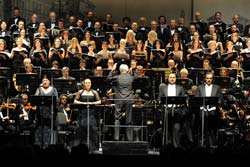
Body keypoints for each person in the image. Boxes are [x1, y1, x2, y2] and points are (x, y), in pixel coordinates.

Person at [108, 63, 135, 141]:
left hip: (119, 99)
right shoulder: (131, 77)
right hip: (129, 99)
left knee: (117, 118)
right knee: (129, 119)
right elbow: (137, 78)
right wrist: (132, 71)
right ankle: (129, 138)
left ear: (119, 70)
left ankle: (116, 138)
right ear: (127, 70)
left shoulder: (117, 77)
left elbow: (108, 78)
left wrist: (112, 70)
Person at [158, 73, 186, 148]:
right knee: (167, 130)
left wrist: (181, 106)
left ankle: (176, 147)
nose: (172, 78)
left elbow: (184, 99)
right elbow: (159, 99)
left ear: (176, 79)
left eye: (174, 77)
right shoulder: (163, 88)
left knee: (176, 128)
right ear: (168, 79)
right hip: (167, 111)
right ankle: (167, 147)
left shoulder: (180, 88)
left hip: (177, 111)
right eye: (170, 77)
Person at [195, 72, 222, 148]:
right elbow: (197, 99)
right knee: (203, 129)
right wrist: (202, 107)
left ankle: (212, 144)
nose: (209, 80)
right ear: (205, 79)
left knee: (212, 129)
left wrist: (217, 103)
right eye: (207, 78)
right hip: (203, 110)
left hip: (213, 111)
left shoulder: (217, 87)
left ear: (212, 79)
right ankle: (203, 144)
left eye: (210, 78)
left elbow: (220, 99)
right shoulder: (200, 87)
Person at [73, 78, 101, 152]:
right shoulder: (80, 92)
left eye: (89, 83)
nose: (88, 84)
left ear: (91, 84)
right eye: (86, 83)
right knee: (80, 130)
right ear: (84, 84)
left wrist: (91, 103)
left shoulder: (94, 92)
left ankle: (93, 148)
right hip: (82, 113)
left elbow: (99, 101)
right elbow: (75, 101)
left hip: (91, 114)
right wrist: (83, 103)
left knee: (92, 131)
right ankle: (79, 148)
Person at [34, 77, 58, 147]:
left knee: (48, 128)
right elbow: (35, 98)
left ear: (49, 81)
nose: (45, 82)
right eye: (43, 80)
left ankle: (47, 146)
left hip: (50, 112)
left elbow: (56, 99)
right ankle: (39, 146)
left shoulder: (53, 89)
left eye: (46, 80)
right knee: (39, 128)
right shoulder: (39, 89)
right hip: (40, 111)